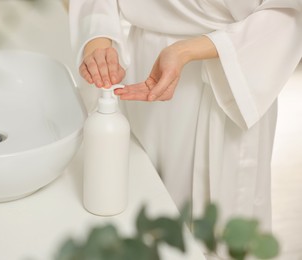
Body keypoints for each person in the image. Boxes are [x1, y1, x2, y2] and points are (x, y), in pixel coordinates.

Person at [69, 0, 302, 250]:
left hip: (231, 69)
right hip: (144, 67)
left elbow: (288, 12)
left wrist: (190, 50)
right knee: (142, 206)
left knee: (218, 228)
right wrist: (98, 35)